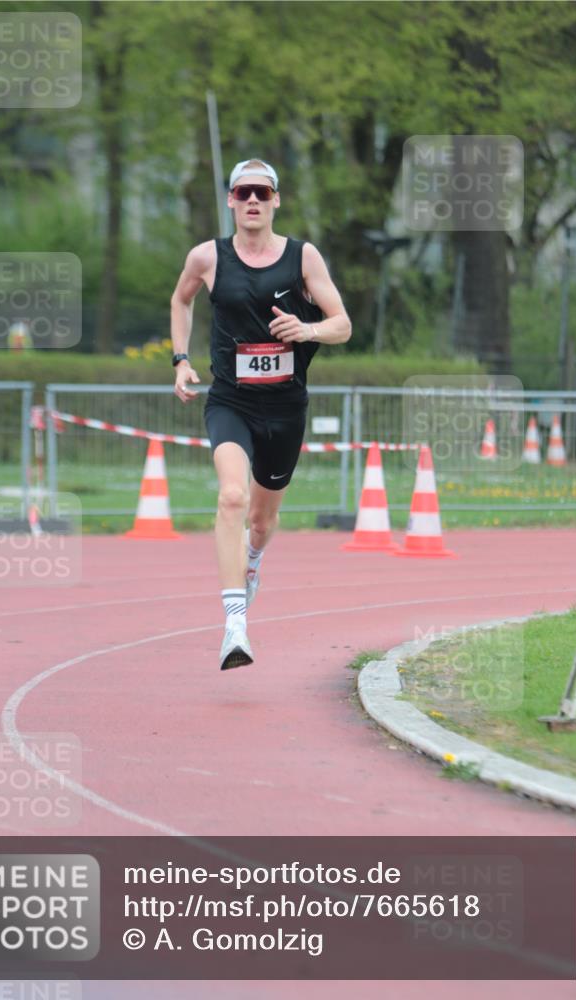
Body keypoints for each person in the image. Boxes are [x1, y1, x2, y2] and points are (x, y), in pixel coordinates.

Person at [170, 158, 351, 670]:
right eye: (243, 192)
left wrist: (308, 331)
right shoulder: (207, 257)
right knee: (231, 496)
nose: (253, 200)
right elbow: (180, 302)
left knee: (261, 519)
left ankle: (252, 562)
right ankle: (234, 627)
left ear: (275, 201)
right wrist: (180, 360)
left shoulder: (302, 257)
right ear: (230, 200)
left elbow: (342, 324)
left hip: (285, 407)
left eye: (262, 193)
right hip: (230, 400)